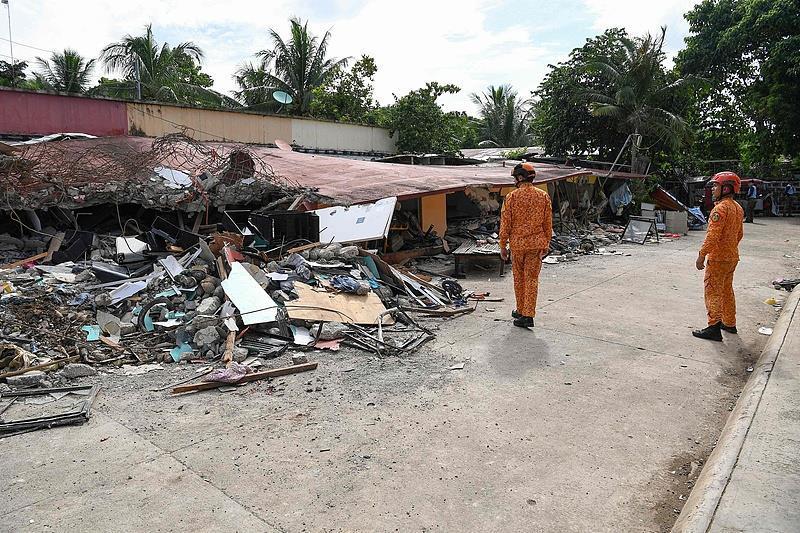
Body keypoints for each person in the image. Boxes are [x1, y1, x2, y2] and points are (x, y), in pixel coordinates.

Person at [499, 162, 553, 328]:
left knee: (519, 279)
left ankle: (524, 313)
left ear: (520, 177)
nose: (514, 180)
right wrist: (547, 243)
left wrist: (503, 245)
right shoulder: (543, 196)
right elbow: (548, 223)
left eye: (515, 177)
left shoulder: (512, 197)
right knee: (531, 280)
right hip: (536, 245)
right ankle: (524, 312)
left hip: (518, 245)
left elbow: (505, 223)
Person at [693, 171, 744, 341]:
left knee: (713, 290)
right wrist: (730, 248)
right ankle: (729, 323)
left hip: (718, 258)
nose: (713, 189)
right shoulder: (738, 208)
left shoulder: (720, 209)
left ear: (726, 188)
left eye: (716, 186)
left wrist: (702, 255)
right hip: (732, 257)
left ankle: (713, 327)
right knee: (727, 290)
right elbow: (739, 234)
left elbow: (712, 237)